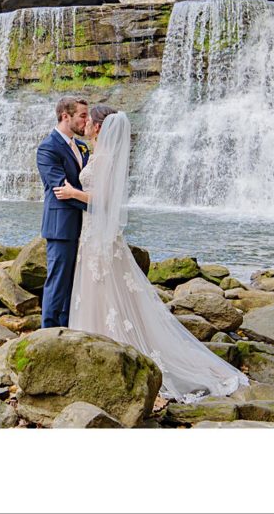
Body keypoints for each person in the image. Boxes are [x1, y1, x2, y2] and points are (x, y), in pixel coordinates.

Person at [53, 108, 248, 402]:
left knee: (106, 289)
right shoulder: (98, 154)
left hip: (99, 235)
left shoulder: (106, 158)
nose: (86, 124)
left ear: (99, 127)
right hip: (92, 232)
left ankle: (113, 351)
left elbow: (106, 201)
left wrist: (73, 194)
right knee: (101, 290)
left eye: (89, 120)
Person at [35, 96, 91, 328]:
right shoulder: (48, 147)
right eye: (82, 115)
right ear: (65, 116)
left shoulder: (82, 146)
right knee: (58, 282)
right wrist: (97, 205)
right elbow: (61, 189)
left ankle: (67, 327)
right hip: (61, 226)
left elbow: (82, 186)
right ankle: (48, 331)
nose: (87, 120)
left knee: (75, 281)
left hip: (85, 225)